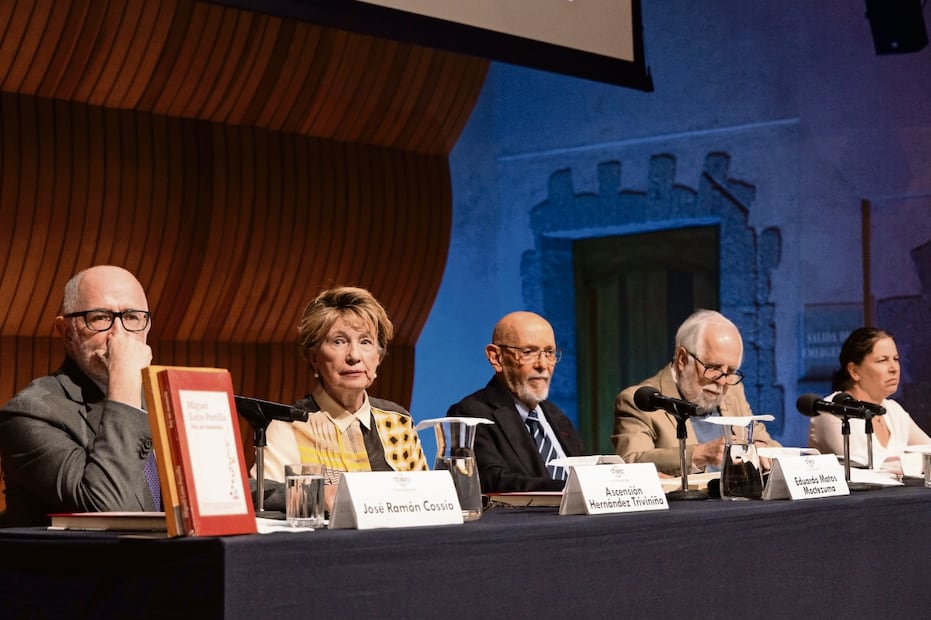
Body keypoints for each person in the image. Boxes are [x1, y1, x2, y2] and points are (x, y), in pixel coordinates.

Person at [0, 265, 157, 527]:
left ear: (147, 326)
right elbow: (110, 511)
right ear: (66, 331)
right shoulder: (29, 414)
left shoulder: (165, 400)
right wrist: (123, 384)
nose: (119, 335)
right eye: (100, 318)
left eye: (132, 317)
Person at [259, 286, 427, 511]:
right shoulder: (289, 425)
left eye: (365, 342)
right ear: (314, 358)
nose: (354, 356)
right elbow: (259, 494)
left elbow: (425, 500)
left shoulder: (397, 421)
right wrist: (318, 495)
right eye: (338, 341)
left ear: (378, 357)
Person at [613, 309, 779, 475]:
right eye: (713, 367)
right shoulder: (641, 402)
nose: (722, 381)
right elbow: (630, 463)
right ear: (682, 359)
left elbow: (768, 444)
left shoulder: (733, 391)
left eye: (730, 371)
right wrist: (701, 454)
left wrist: (761, 449)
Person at [446, 311, 586, 492]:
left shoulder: (556, 416)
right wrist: (572, 488)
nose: (543, 365)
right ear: (496, 358)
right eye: (528, 352)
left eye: (549, 353)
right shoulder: (471, 414)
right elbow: (491, 481)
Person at [808, 327, 930, 472]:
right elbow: (866, 468)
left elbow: (928, 451)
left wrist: (906, 464)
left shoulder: (894, 410)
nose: (894, 368)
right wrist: (914, 463)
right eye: (882, 360)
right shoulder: (832, 410)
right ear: (854, 371)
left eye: (896, 359)